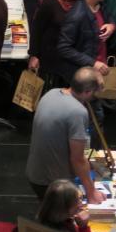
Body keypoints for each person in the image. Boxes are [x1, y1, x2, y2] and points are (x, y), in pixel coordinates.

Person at [26, 67, 104, 202]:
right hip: (54, 185)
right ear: (87, 92)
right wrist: (91, 193)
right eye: (94, 93)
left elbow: (72, 139)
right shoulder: (77, 112)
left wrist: (90, 160)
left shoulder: (52, 93)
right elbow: (78, 159)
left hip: (35, 174)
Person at [29, 0, 84, 85]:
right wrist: (34, 55)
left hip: (72, 59)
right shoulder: (51, 2)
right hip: (51, 59)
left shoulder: (80, 1)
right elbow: (37, 29)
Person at [58, 0, 115, 86]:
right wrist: (93, 63)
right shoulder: (76, 16)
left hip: (100, 68)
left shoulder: (100, 5)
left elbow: (109, 17)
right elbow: (64, 48)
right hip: (84, 76)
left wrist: (112, 25)